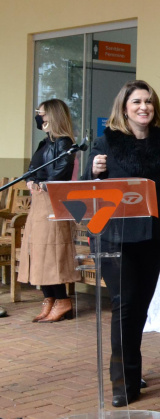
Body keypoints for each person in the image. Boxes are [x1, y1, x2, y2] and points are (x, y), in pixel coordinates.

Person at [84, 80, 160, 408]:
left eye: (148, 101)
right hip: (113, 237)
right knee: (125, 305)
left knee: (139, 306)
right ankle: (123, 384)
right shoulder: (105, 143)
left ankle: (130, 370)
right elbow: (85, 195)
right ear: (124, 107)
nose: (144, 106)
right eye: (137, 102)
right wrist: (93, 172)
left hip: (152, 237)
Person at [17, 99, 81, 322]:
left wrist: (44, 183)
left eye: (41, 113)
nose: (38, 117)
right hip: (38, 202)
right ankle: (49, 299)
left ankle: (62, 300)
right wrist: (30, 180)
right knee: (37, 251)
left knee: (51, 253)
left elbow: (62, 172)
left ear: (52, 116)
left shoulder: (65, 143)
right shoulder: (44, 143)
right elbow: (32, 168)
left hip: (53, 202)